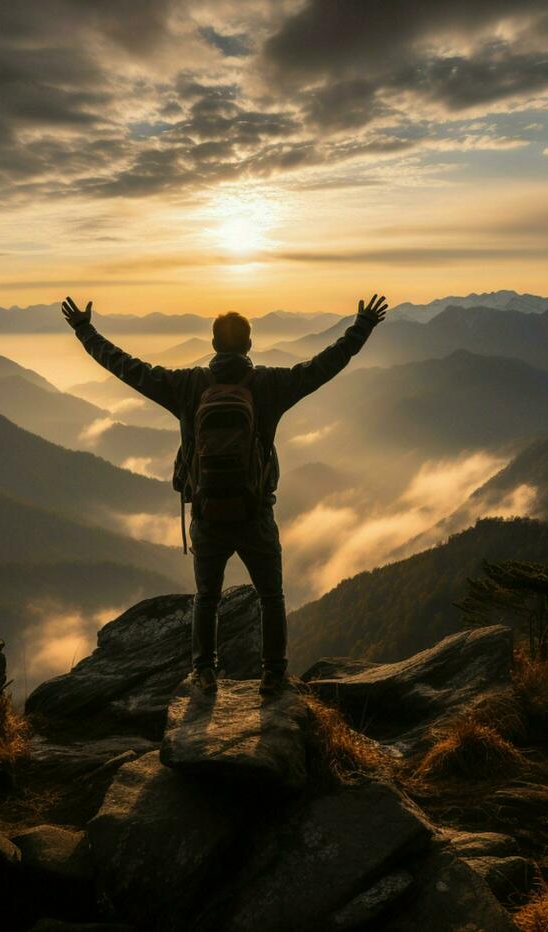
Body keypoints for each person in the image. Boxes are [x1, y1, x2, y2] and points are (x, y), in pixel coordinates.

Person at [62, 293, 389, 696]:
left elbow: (127, 367)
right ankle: (273, 675)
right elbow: (323, 365)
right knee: (271, 597)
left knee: (207, 598)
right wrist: (362, 327)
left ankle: (203, 673)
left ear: (214, 345)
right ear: (249, 346)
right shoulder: (269, 384)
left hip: (207, 513)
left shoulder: (187, 385)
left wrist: (84, 330)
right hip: (256, 513)